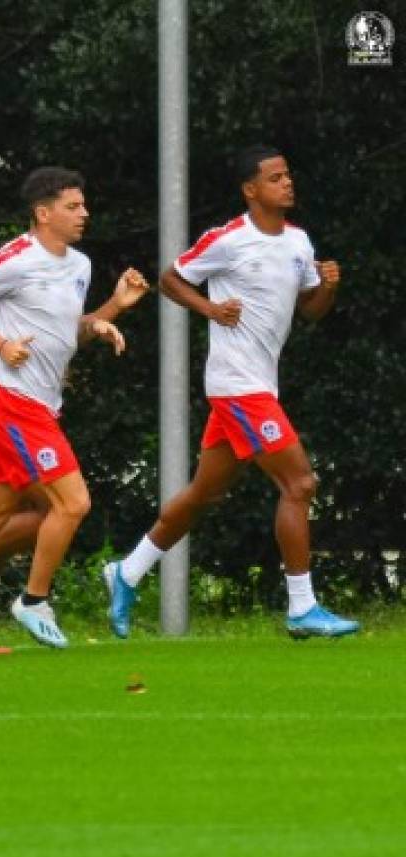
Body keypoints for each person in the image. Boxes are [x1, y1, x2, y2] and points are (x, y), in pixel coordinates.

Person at [103, 145, 360, 640]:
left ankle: (127, 571)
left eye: (287, 175)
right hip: (237, 386)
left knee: (205, 492)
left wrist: (328, 286)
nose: (287, 183)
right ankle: (302, 608)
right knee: (300, 485)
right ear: (251, 189)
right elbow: (171, 280)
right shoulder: (228, 239)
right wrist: (210, 309)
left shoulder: (299, 242)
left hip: (259, 384)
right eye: (275, 177)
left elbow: (310, 310)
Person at [0, 166, 149, 654]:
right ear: (43, 213)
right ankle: (34, 601)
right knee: (73, 502)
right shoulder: (15, 257)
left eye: (84, 205)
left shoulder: (78, 266)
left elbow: (67, 331)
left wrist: (110, 314)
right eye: (72, 206)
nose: (85, 213)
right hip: (9, 403)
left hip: (40, 404)